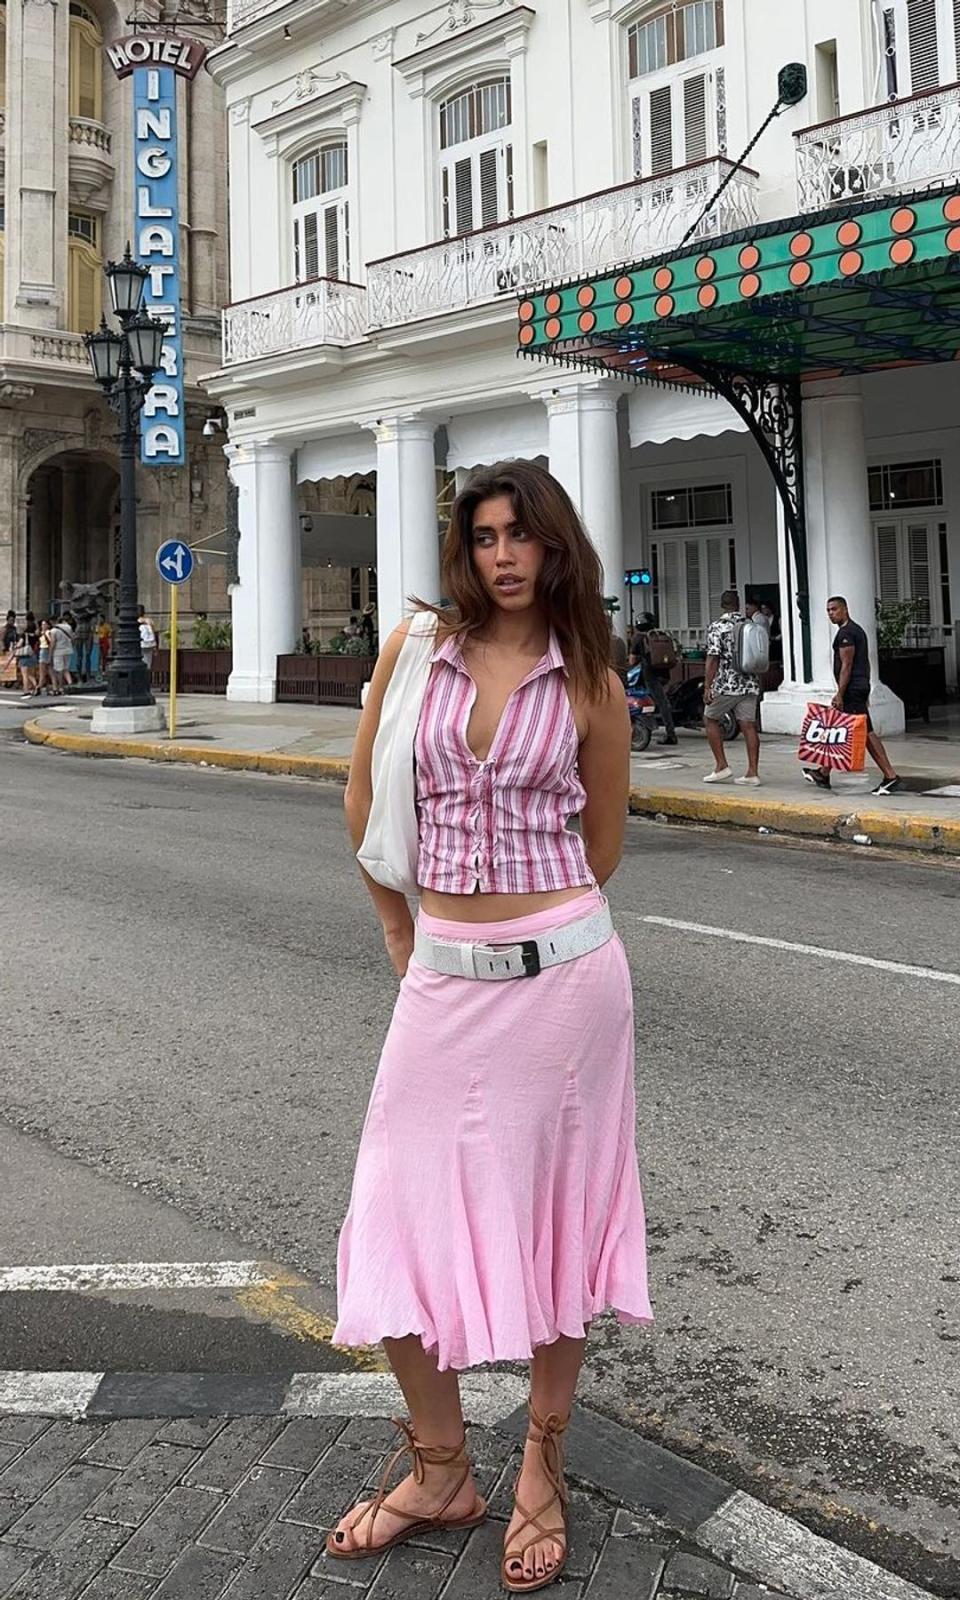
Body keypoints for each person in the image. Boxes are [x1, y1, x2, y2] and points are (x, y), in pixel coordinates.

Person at [331, 460, 651, 1591]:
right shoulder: (417, 653)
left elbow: (600, 846)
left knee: (561, 1219)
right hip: (445, 978)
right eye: (484, 537)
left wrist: (532, 925)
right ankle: (440, 1467)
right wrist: (398, 936)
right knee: (391, 1211)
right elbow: (363, 800)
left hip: (566, 983)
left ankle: (540, 1472)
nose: (503, 555)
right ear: (462, 551)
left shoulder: (592, 682)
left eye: (522, 536)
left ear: (556, 548)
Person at [803, 596, 902, 795]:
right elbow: (865, 662)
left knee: (865, 732)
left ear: (845, 609)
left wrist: (840, 693)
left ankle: (890, 776)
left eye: (834, 609)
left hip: (852, 690)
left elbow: (846, 666)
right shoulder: (855, 630)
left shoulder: (847, 633)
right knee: (838, 728)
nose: (831, 613)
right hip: (858, 688)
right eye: (828, 610)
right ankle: (823, 772)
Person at [703, 588, 761, 785]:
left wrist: (707, 686)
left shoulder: (717, 626)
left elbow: (713, 658)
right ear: (738, 605)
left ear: (722, 605)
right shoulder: (749, 624)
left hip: (727, 684)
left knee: (710, 718)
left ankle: (721, 766)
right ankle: (752, 773)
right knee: (748, 726)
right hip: (750, 683)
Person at [628, 612, 678, 745]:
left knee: (661, 703)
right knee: (661, 701)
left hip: (649, 675)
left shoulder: (638, 638)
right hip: (664, 674)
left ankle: (671, 734)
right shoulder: (660, 635)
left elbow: (632, 661)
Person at [49, 614, 75, 694]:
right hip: (68, 650)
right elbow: (72, 638)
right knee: (66, 669)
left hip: (58, 651)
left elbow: (53, 643)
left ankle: (60, 687)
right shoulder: (68, 627)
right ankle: (70, 685)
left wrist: (50, 654)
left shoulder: (53, 631)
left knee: (59, 670)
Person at [138, 605, 157, 670]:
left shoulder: (135, 621)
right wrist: (155, 647)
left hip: (140, 645)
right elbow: (154, 633)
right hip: (149, 644)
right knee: (148, 663)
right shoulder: (149, 621)